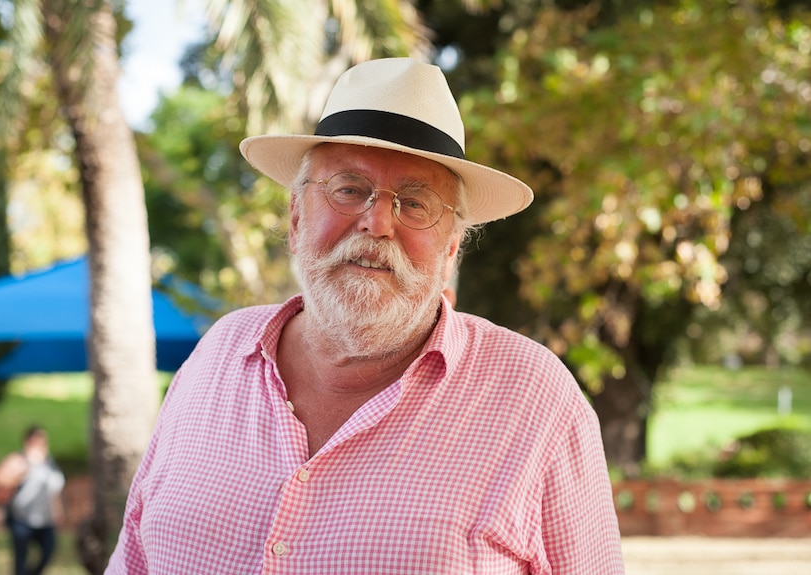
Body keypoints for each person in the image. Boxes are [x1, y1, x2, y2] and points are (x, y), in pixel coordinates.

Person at [106, 58, 624, 574]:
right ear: (294, 218)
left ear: (450, 250)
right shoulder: (217, 357)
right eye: (349, 189)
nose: (376, 223)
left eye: (416, 203)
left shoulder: (537, 400)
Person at [0, 426, 66, 575]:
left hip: (45, 520)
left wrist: (58, 512)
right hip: (22, 519)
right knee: (20, 559)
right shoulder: (19, 460)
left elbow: (54, 490)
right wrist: (22, 468)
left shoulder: (49, 462)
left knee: (48, 552)